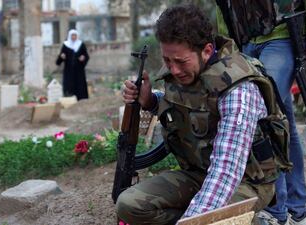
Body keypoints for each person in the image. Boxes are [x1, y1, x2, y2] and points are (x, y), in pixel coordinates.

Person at [116, 4, 291, 225]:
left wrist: (194, 220)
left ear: (207, 51)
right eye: (167, 60)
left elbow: (226, 171)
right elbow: (186, 106)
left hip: (245, 182)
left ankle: (252, 221)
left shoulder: (238, 89)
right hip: (199, 173)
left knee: (214, 220)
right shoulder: (186, 71)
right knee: (130, 205)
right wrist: (150, 100)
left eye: (180, 61)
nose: (174, 69)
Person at [215, 1, 306, 224]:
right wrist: (227, 47)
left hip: (282, 34)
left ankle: (276, 211)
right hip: (246, 42)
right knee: (280, 123)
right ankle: (297, 211)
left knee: (262, 112)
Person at [56, 29, 90, 100]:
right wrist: (61, 57)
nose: (73, 37)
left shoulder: (81, 44)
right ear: (69, 36)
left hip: (79, 71)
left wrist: (83, 58)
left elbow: (86, 56)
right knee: (69, 87)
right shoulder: (66, 45)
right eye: (72, 35)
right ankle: (69, 98)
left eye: (75, 35)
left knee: (80, 86)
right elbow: (60, 59)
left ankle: (81, 99)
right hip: (68, 71)